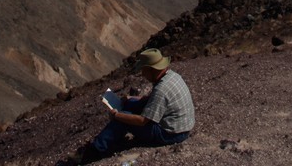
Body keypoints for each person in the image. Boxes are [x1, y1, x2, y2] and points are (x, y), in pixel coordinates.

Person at [61, 48, 195, 164]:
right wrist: (131, 98)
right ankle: (109, 141)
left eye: (144, 70)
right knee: (129, 104)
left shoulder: (161, 90)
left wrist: (117, 115)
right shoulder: (171, 76)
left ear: (152, 69)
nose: (142, 74)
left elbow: (143, 121)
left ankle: (93, 153)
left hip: (170, 134)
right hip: (181, 127)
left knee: (124, 120)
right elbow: (153, 100)